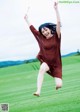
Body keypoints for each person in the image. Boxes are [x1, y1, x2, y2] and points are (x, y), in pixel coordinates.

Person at [24, 2, 62, 97]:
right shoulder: (41, 38)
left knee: (59, 84)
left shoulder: (57, 36)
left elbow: (58, 23)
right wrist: (26, 19)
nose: (44, 32)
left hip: (57, 65)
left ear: (49, 29)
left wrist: (56, 9)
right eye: (42, 31)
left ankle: (57, 85)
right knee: (42, 69)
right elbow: (32, 30)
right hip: (46, 62)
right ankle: (38, 91)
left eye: (45, 30)